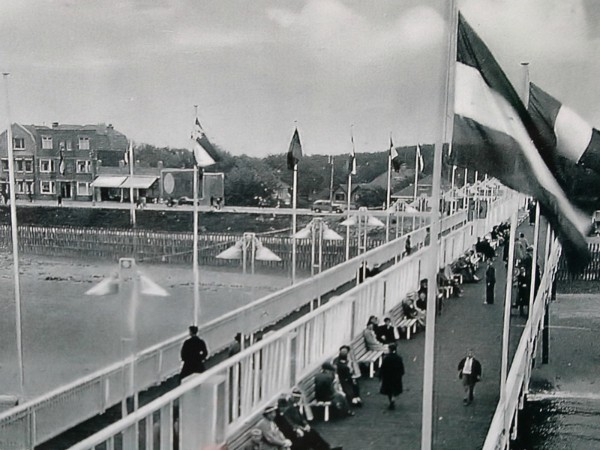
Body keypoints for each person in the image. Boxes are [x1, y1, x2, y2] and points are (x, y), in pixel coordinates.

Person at [379, 343, 405, 410]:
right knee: (395, 389)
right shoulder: (399, 358)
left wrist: (380, 376)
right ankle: (393, 398)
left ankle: (391, 400)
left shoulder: (386, 358)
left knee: (389, 391)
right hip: (396, 377)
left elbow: (383, 368)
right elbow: (401, 368)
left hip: (388, 377)